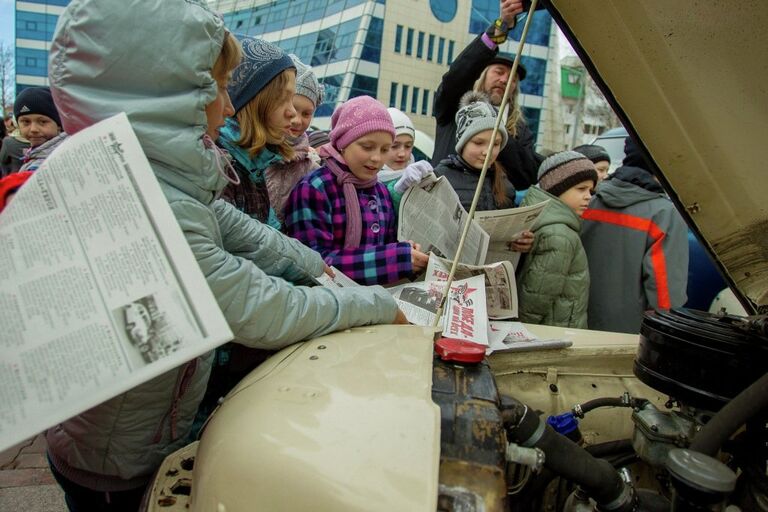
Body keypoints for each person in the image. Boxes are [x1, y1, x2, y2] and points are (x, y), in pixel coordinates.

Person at [45, 1, 406, 510]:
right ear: (166, 96)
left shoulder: (147, 173)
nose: (230, 105)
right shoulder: (147, 200)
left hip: (132, 425)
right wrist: (371, 304)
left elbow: (242, 231)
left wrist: (314, 265)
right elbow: (257, 308)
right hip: (115, 454)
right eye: (215, 88)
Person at [284, 95, 430, 285]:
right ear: (343, 143)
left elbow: (387, 244)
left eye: (385, 149)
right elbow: (314, 264)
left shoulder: (381, 193)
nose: (377, 158)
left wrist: (407, 252)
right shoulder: (314, 189)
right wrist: (395, 259)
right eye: (367, 147)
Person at [431, 0, 543, 190]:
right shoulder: (455, 106)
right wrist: (500, 28)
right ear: (482, 74)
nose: (505, 80)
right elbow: (458, 75)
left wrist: (498, 131)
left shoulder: (519, 129)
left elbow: (527, 176)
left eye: (512, 78)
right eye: (498, 72)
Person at [581, 137, 688, 334]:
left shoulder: (589, 201)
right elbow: (665, 296)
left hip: (576, 323)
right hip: (628, 334)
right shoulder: (664, 215)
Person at [433, 91, 534, 252]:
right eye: (478, 142)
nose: (487, 152)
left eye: (495, 144)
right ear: (462, 142)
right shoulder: (441, 176)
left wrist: (521, 241)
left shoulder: (505, 183)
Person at [217, 37, 298, 229]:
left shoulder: (252, 165)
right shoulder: (221, 166)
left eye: (292, 99)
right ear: (251, 100)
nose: (293, 112)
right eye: (281, 99)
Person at [516, 151, 598, 327]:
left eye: (590, 190)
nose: (588, 196)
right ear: (557, 188)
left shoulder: (553, 224)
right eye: (581, 189)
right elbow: (536, 298)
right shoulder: (559, 234)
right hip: (555, 329)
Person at [378, 107, 433, 212]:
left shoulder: (416, 173)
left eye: (408, 146)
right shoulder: (367, 177)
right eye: (394, 146)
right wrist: (398, 191)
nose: (402, 154)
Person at [12, 87, 67, 172]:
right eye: (26, 121)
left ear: (59, 124)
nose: (33, 129)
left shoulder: (41, 168)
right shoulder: (36, 154)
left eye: (43, 121)